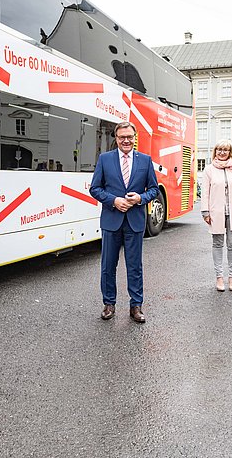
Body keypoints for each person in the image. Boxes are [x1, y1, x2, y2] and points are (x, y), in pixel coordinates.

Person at [89, 121, 159, 323]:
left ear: (135, 137)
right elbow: (95, 188)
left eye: (129, 137)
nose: (126, 140)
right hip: (111, 220)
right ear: (116, 138)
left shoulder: (145, 161)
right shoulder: (105, 159)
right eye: (122, 137)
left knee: (134, 266)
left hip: (135, 221)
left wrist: (140, 198)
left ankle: (136, 306)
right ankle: (109, 303)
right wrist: (114, 200)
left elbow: (153, 189)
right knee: (108, 266)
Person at [200, 140, 232, 292]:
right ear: (215, 151)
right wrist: (205, 212)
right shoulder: (209, 169)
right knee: (217, 244)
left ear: (230, 152)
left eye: (225, 150)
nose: (222, 152)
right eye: (219, 149)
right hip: (216, 212)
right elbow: (205, 192)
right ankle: (219, 277)